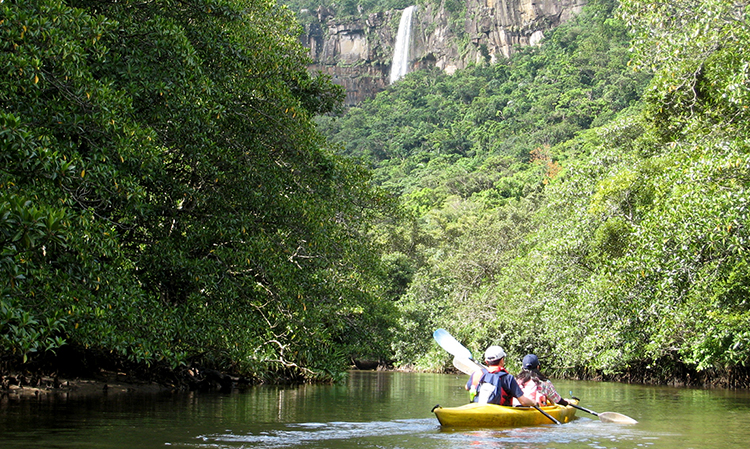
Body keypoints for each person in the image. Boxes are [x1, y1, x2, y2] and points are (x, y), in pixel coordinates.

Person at [465, 345, 535, 406]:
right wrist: (534, 403)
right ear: (502, 360)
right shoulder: (508, 378)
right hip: (501, 413)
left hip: (478, 410)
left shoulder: (477, 374)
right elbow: (523, 402)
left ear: (486, 361)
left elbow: (467, 387)